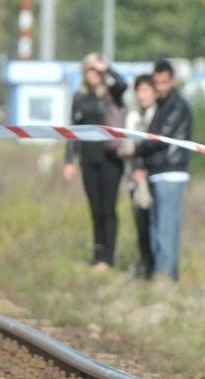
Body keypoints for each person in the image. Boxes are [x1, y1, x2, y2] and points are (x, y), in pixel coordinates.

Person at [62, 54, 128, 272]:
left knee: (108, 209)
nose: (94, 75)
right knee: (95, 209)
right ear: (84, 72)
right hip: (88, 159)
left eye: (97, 71)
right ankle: (97, 255)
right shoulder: (79, 98)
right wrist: (69, 161)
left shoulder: (111, 94)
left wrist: (107, 67)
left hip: (110, 159)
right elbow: (73, 130)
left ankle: (107, 259)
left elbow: (123, 83)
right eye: (90, 70)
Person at [131, 59, 193, 283]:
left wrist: (134, 149)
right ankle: (161, 273)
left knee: (166, 228)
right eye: (156, 82)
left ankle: (165, 277)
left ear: (173, 81)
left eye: (164, 82)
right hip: (156, 171)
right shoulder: (161, 105)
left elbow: (159, 137)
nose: (160, 87)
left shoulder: (177, 105)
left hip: (171, 171)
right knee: (156, 228)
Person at [118, 74, 158, 279]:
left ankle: (156, 268)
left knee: (155, 224)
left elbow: (153, 147)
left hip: (152, 176)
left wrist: (141, 163)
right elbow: (127, 144)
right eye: (139, 91)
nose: (142, 96)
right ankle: (145, 266)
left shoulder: (157, 115)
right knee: (140, 224)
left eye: (145, 90)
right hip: (133, 177)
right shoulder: (132, 117)